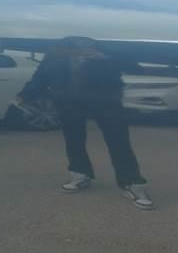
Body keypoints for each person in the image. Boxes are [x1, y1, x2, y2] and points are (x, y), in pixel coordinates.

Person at [18, 36, 152, 209]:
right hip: (68, 102)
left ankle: (132, 183)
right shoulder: (57, 52)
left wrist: (105, 57)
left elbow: (134, 68)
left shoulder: (108, 49)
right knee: (73, 141)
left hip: (106, 102)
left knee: (119, 142)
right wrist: (24, 95)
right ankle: (80, 174)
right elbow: (41, 76)